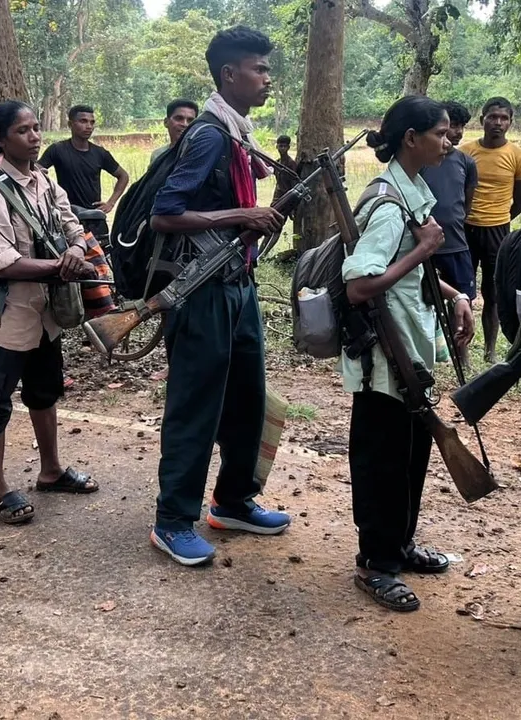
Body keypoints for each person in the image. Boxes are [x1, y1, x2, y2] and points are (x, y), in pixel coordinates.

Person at [148, 26, 290, 567]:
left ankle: (232, 501)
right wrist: (241, 214)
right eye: (259, 68)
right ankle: (172, 520)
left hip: (238, 284)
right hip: (202, 290)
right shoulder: (209, 135)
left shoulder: (237, 132)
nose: (267, 78)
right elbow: (165, 214)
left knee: (247, 399)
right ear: (230, 74)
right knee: (196, 405)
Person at [344, 96, 474, 611]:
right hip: (384, 359)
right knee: (383, 462)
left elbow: (412, 270)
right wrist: (423, 250)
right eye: (440, 133)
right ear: (411, 138)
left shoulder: (412, 191)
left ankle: (398, 545)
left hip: (410, 353)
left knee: (411, 456)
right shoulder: (388, 205)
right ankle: (375, 563)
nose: (449, 141)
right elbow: (359, 285)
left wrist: (456, 295)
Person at [0, 101, 99, 524]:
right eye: (23, 131)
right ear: (0, 139)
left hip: (45, 314)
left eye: (37, 128)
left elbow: (73, 227)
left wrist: (74, 250)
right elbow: (1, 261)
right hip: (6, 317)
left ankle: (51, 470)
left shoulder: (44, 182)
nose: (35, 137)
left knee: (44, 391)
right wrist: (61, 266)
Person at [461, 97, 521, 363]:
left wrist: (498, 217)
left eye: (503, 118)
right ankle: (462, 351)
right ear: (482, 120)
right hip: (465, 229)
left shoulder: (519, 157)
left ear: (511, 122)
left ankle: (490, 350)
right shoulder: (466, 153)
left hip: (498, 231)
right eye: (492, 117)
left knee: (492, 293)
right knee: (462, 291)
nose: (497, 123)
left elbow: (520, 202)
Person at [420, 100, 478, 367]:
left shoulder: (466, 162)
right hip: (426, 246)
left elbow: (466, 203)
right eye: (452, 125)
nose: (457, 132)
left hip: (456, 243)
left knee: (461, 300)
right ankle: (430, 351)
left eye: (461, 126)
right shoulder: (425, 160)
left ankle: (461, 355)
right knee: (426, 297)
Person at [38, 105, 129, 243]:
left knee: (100, 255)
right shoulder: (57, 150)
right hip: (68, 217)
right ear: (70, 124)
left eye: (92, 122)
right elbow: (36, 172)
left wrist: (111, 203)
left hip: (94, 219)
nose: (89, 126)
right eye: (83, 121)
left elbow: (123, 176)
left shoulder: (100, 153)